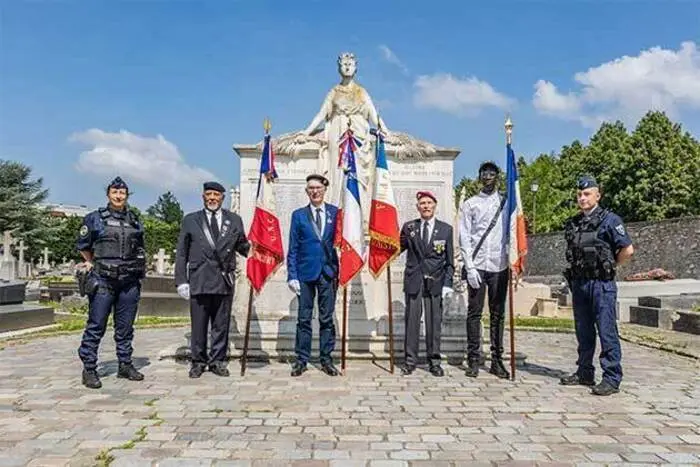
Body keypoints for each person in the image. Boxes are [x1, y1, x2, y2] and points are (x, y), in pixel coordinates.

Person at [560, 175, 634, 396]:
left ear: (597, 196)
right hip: (580, 283)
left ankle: (611, 378)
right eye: (579, 195)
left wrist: (612, 266)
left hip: (601, 284)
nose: (582, 198)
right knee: (583, 331)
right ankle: (584, 372)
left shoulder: (610, 220)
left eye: (587, 194)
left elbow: (627, 250)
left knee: (606, 330)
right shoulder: (575, 223)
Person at [76, 176, 147, 389]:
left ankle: (125, 364)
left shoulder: (134, 219)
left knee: (125, 327)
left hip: (129, 281)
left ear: (127, 195)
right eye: (115, 192)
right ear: (108, 194)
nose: (118, 196)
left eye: (122, 192)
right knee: (96, 325)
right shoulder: (94, 218)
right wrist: (90, 262)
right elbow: (83, 244)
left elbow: (140, 247)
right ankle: (89, 368)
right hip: (103, 280)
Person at [175, 181, 250, 378]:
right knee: (199, 325)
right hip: (199, 279)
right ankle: (198, 361)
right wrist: (181, 280)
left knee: (221, 324)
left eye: (216, 195)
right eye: (208, 194)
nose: (212, 198)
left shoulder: (234, 220)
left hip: (223, 279)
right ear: (203, 197)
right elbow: (181, 253)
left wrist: (256, 247)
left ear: (222, 198)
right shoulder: (191, 220)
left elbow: (242, 246)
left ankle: (217, 361)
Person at [459, 161, 510, 379]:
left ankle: (497, 359)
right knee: (474, 313)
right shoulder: (470, 204)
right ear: (479, 177)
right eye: (484, 173)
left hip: (499, 264)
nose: (488, 176)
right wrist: (469, 266)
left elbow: (512, 231)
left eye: (492, 173)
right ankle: (473, 358)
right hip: (478, 265)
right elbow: (465, 235)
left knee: (498, 314)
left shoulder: (506, 202)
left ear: (497, 177)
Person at [287, 174, 340, 377]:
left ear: (324, 189)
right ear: (306, 191)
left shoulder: (335, 213)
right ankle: (301, 360)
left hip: (327, 273)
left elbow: (343, 242)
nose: (315, 191)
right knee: (304, 319)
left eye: (318, 188)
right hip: (305, 273)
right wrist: (292, 275)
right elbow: (293, 247)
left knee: (326, 319)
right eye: (311, 188)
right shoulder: (298, 215)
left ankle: (326, 359)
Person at [399, 190, 454, 376]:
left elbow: (449, 261)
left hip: (435, 281)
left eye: (429, 203)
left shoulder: (446, 229)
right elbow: (397, 248)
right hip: (414, 280)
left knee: (433, 323)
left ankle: (434, 362)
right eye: (422, 203)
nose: (426, 206)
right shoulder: (409, 227)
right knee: (412, 322)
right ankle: (410, 361)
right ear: (417, 207)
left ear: (435, 206)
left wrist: (448, 284)